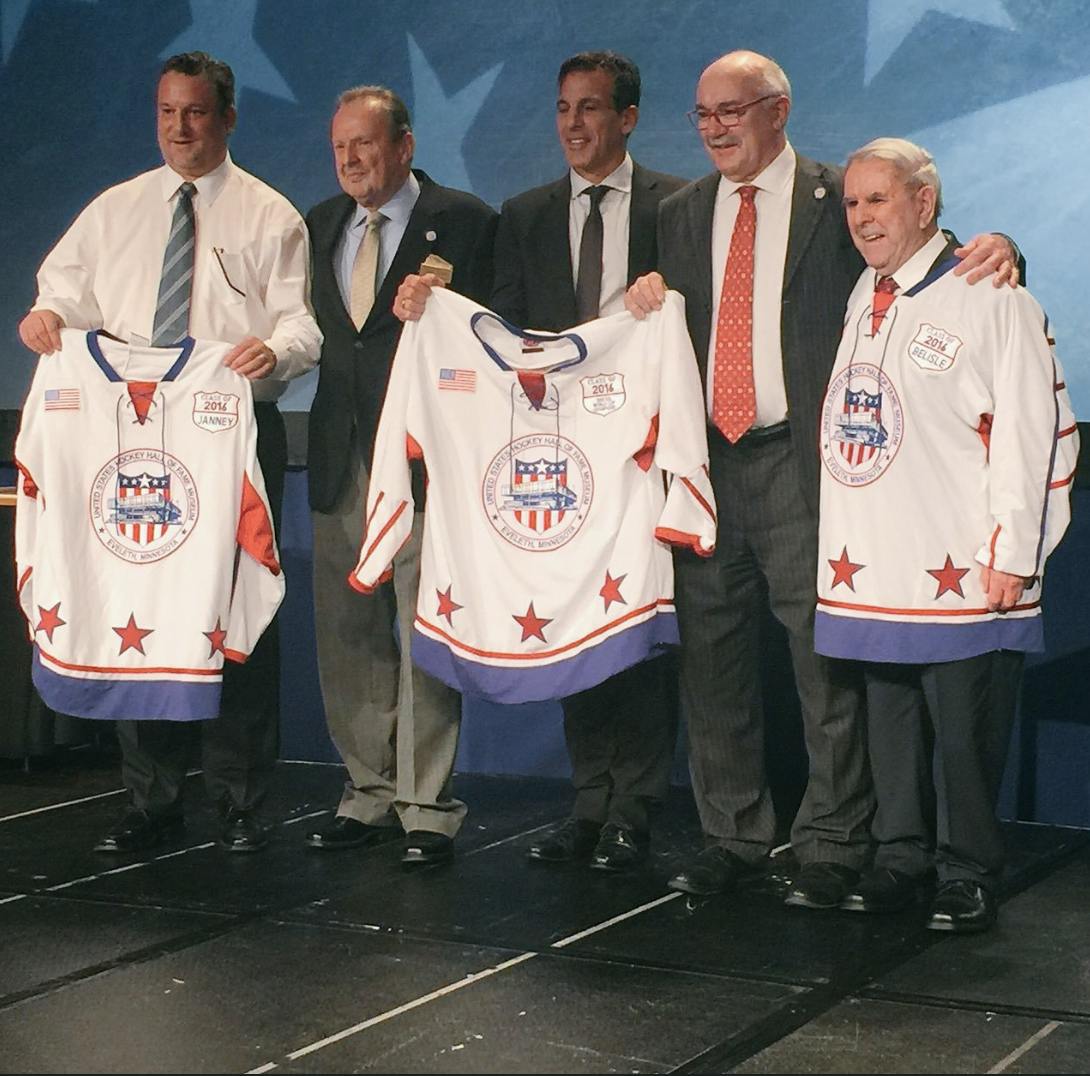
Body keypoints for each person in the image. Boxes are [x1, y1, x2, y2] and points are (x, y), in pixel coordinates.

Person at [624, 50, 1021, 907]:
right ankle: (732, 835)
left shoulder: (841, 197)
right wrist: (638, 299)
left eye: (732, 110)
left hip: (803, 465)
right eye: (703, 114)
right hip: (706, 468)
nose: (715, 128)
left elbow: (928, 258)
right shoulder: (679, 212)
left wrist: (1005, 247)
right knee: (713, 662)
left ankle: (835, 842)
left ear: (779, 110)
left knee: (825, 664)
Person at [18, 51, 321, 855]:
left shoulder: (269, 216)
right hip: (126, 440)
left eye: (195, 112)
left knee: (233, 607)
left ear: (227, 117)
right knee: (139, 600)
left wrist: (275, 350)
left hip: (227, 434)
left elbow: (301, 324)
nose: (179, 129)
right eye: (166, 112)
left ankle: (241, 801)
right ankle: (150, 800)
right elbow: (60, 296)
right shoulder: (113, 211)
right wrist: (46, 319)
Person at [396, 51, 688, 872]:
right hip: (559, 463)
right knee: (571, 624)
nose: (573, 124)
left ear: (628, 118)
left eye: (590, 108)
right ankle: (588, 806)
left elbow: (693, 319)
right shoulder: (524, 215)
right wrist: (431, 307)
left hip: (641, 455)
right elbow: (497, 330)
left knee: (634, 637)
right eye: (564, 108)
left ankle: (633, 811)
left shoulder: (677, 207)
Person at [816, 137, 1077, 932]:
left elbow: (1032, 436)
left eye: (878, 199)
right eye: (853, 202)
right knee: (891, 723)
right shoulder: (865, 292)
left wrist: (1014, 553)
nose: (862, 217)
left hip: (963, 564)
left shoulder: (993, 296)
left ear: (924, 203)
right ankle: (901, 858)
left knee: (964, 735)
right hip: (877, 563)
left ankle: (968, 870)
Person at [304, 86, 497, 866]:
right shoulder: (319, 223)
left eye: (367, 143)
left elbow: (494, 333)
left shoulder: (467, 221)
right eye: (340, 147)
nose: (352, 160)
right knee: (348, 633)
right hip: (339, 454)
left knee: (422, 626)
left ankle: (426, 806)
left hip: (424, 456)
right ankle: (368, 793)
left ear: (405, 145)